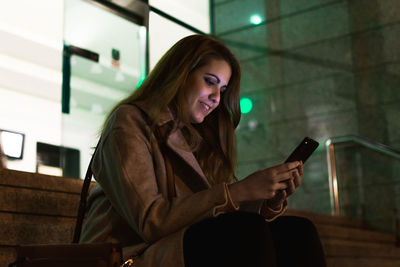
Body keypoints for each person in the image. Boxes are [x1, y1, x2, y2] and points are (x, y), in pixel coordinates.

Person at [80, 34, 326, 267]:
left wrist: (267, 198)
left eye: (223, 89)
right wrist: (238, 190)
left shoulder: (197, 138)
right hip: (129, 256)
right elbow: (151, 221)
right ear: (180, 74)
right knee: (245, 233)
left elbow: (211, 213)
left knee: (297, 231)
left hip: (176, 248)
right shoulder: (130, 121)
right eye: (210, 82)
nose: (217, 97)